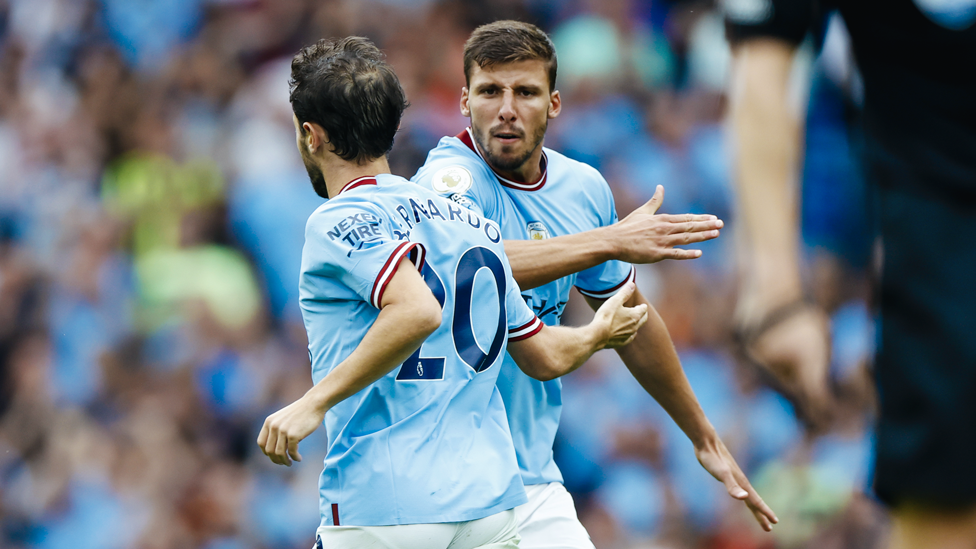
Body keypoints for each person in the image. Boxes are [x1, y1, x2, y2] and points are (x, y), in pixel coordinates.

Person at [255, 36, 650, 549]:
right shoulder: (469, 223)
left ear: (311, 135)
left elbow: (417, 309)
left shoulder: (339, 218)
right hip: (488, 509)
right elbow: (545, 355)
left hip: (387, 507)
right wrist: (597, 333)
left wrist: (312, 403)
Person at [411, 21, 778, 548]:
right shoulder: (448, 181)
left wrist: (702, 434)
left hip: (529, 480)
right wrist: (607, 242)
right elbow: (468, 265)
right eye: (490, 91)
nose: (507, 108)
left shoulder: (581, 190)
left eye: (526, 92)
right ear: (465, 101)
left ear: (554, 104)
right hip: (439, 483)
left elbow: (631, 317)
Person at [723, 0, 976, 547]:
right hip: (942, 264)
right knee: (948, 511)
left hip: (938, 274)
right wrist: (775, 291)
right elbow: (763, 60)